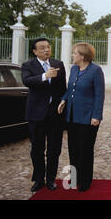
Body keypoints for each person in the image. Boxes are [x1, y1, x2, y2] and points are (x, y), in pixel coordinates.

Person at [21, 38, 67, 192]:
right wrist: (44, 76)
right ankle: (39, 179)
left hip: (55, 114)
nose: (46, 50)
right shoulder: (28, 65)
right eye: (42, 48)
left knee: (54, 149)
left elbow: (63, 88)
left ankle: (51, 179)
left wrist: (63, 101)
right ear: (35, 51)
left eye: (48, 47)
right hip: (36, 114)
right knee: (37, 149)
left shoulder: (58, 64)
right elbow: (27, 81)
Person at [58, 43, 105, 192]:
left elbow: (99, 95)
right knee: (73, 149)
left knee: (85, 150)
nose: (73, 56)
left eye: (74, 53)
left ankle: (85, 181)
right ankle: (75, 178)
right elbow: (70, 89)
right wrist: (63, 99)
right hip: (71, 116)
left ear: (83, 56)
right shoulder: (73, 69)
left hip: (88, 118)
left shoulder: (96, 71)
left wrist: (96, 116)